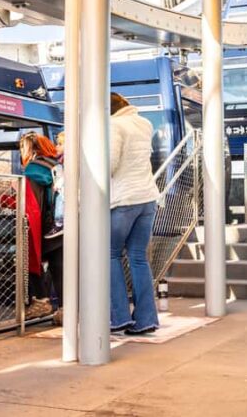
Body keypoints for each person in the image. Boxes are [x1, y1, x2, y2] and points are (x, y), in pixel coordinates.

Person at [109, 92, 160, 335]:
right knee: (138, 258)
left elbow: (109, 163)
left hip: (123, 199)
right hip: (147, 198)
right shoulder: (144, 123)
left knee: (109, 255)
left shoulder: (114, 125)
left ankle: (118, 317)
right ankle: (146, 319)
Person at [19, 132, 64, 324]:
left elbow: (32, 204)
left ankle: (41, 301)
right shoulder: (56, 165)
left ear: (31, 149)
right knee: (60, 268)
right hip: (61, 223)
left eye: (23, 148)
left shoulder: (33, 170)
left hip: (45, 227)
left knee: (30, 261)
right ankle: (66, 310)